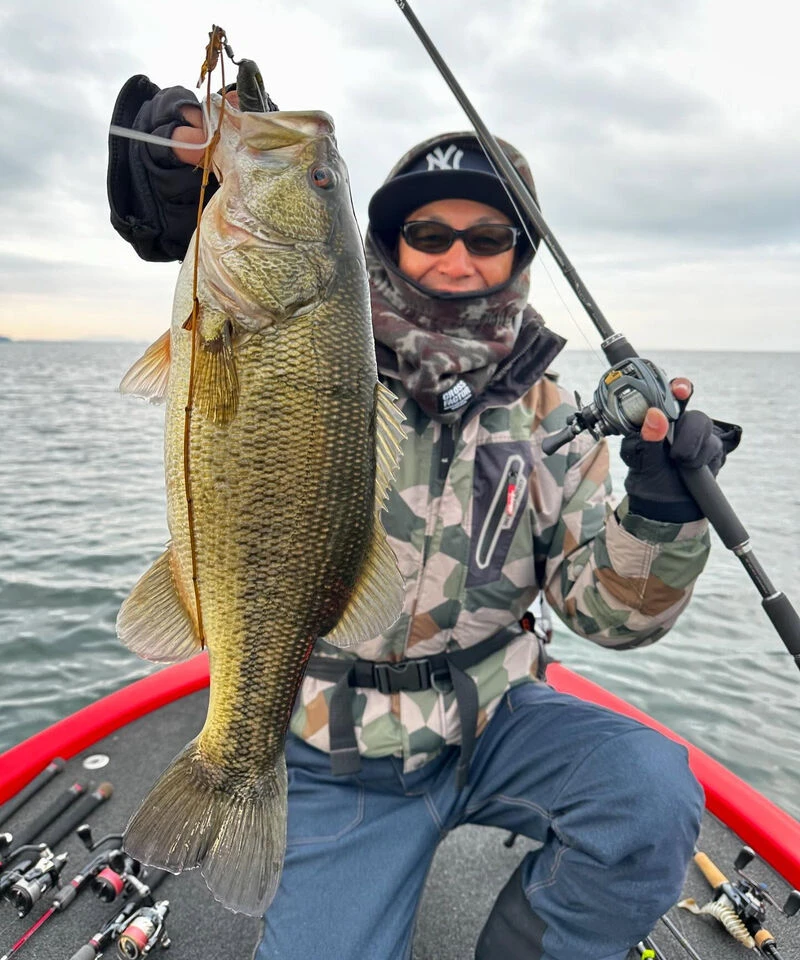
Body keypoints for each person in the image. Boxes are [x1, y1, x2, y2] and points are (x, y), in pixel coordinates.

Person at [107, 75, 734, 960]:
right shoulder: (331, 349)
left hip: (494, 721)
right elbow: (238, 262)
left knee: (652, 793)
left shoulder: (554, 413)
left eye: (487, 236)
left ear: (520, 252)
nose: (456, 258)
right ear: (383, 247)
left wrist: (663, 513)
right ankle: (239, 768)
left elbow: (610, 618)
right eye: (427, 234)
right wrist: (180, 187)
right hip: (328, 746)